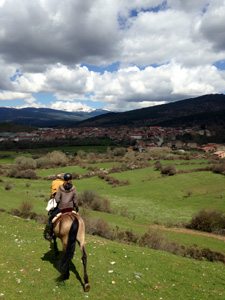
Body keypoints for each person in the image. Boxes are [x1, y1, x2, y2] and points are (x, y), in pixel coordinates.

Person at [44, 173, 79, 241]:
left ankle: (50, 235)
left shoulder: (60, 188)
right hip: (70, 208)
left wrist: (58, 203)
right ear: (71, 180)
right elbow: (75, 200)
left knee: (51, 219)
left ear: (64, 179)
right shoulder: (74, 188)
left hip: (61, 208)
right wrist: (76, 207)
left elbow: (57, 199)